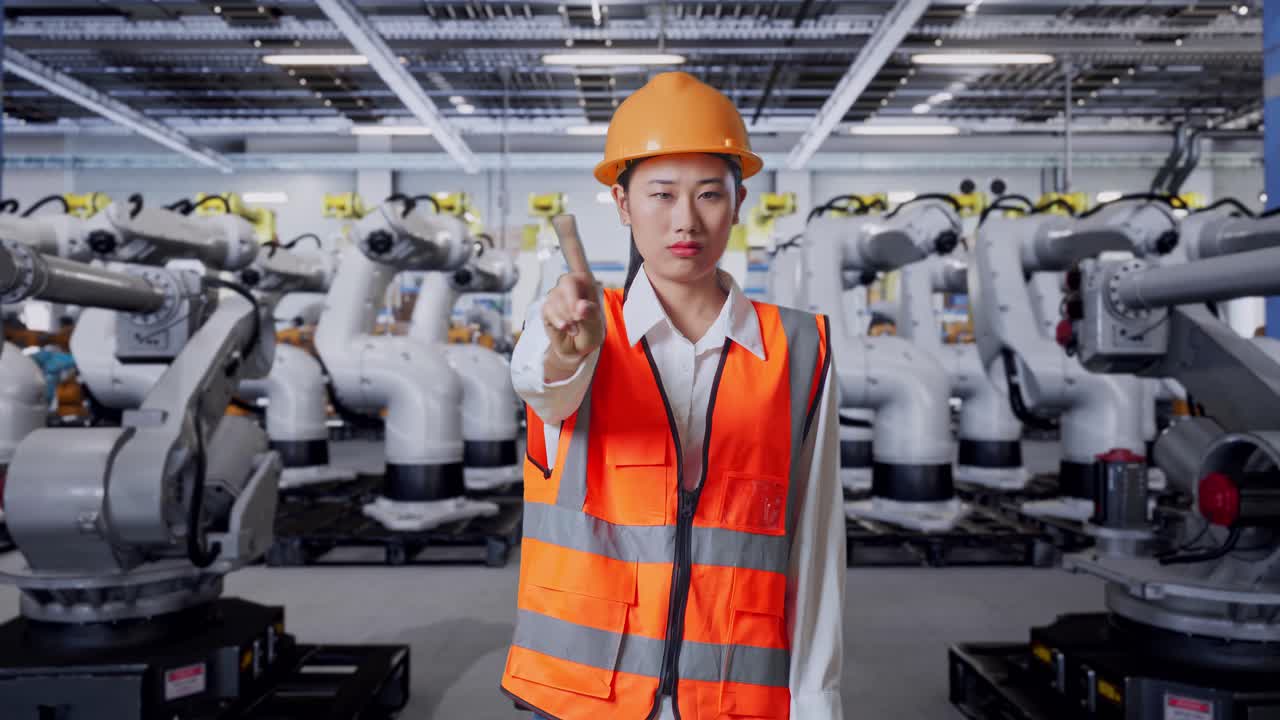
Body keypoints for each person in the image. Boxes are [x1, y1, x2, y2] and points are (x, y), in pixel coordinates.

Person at [500, 71, 844, 720]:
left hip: (734, 695)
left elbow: (818, 544)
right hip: (584, 700)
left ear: (739, 203)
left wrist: (819, 702)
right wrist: (565, 348)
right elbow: (543, 386)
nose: (685, 220)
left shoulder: (799, 349)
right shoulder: (575, 328)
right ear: (624, 205)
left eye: (710, 194)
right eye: (661, 194)